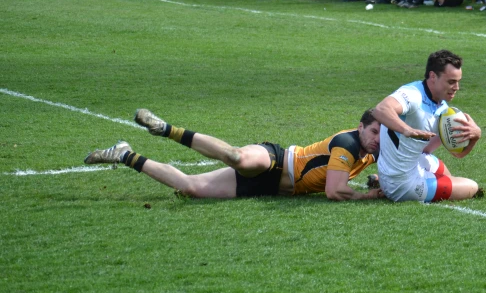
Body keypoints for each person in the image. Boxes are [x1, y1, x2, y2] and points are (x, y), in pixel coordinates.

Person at [85, 108, 383, 201]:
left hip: (270, 189)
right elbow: (335, 191)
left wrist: (378, 179)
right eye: (373, 132)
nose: (377, 140)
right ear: (360, 128)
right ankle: (166, 129)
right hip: (279, 160)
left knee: (189, 188)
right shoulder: (348, 142)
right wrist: (365, 196)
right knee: (237, 157)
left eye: (383, 135)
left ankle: (124, 154)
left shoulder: (373, 150)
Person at [373, 50, 481, 203]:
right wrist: (407, 130)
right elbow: (381, 109)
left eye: (458, 81)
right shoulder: (412, 94)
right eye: (451, 82)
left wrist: (475, 136)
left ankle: (381, 181)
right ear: (432, 76)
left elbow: (458, 154)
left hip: (406, 167)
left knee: (441, 169)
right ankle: (409, 188)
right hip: (403, 185)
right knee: (472, 187)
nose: (457, 87)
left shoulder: (442, 109)